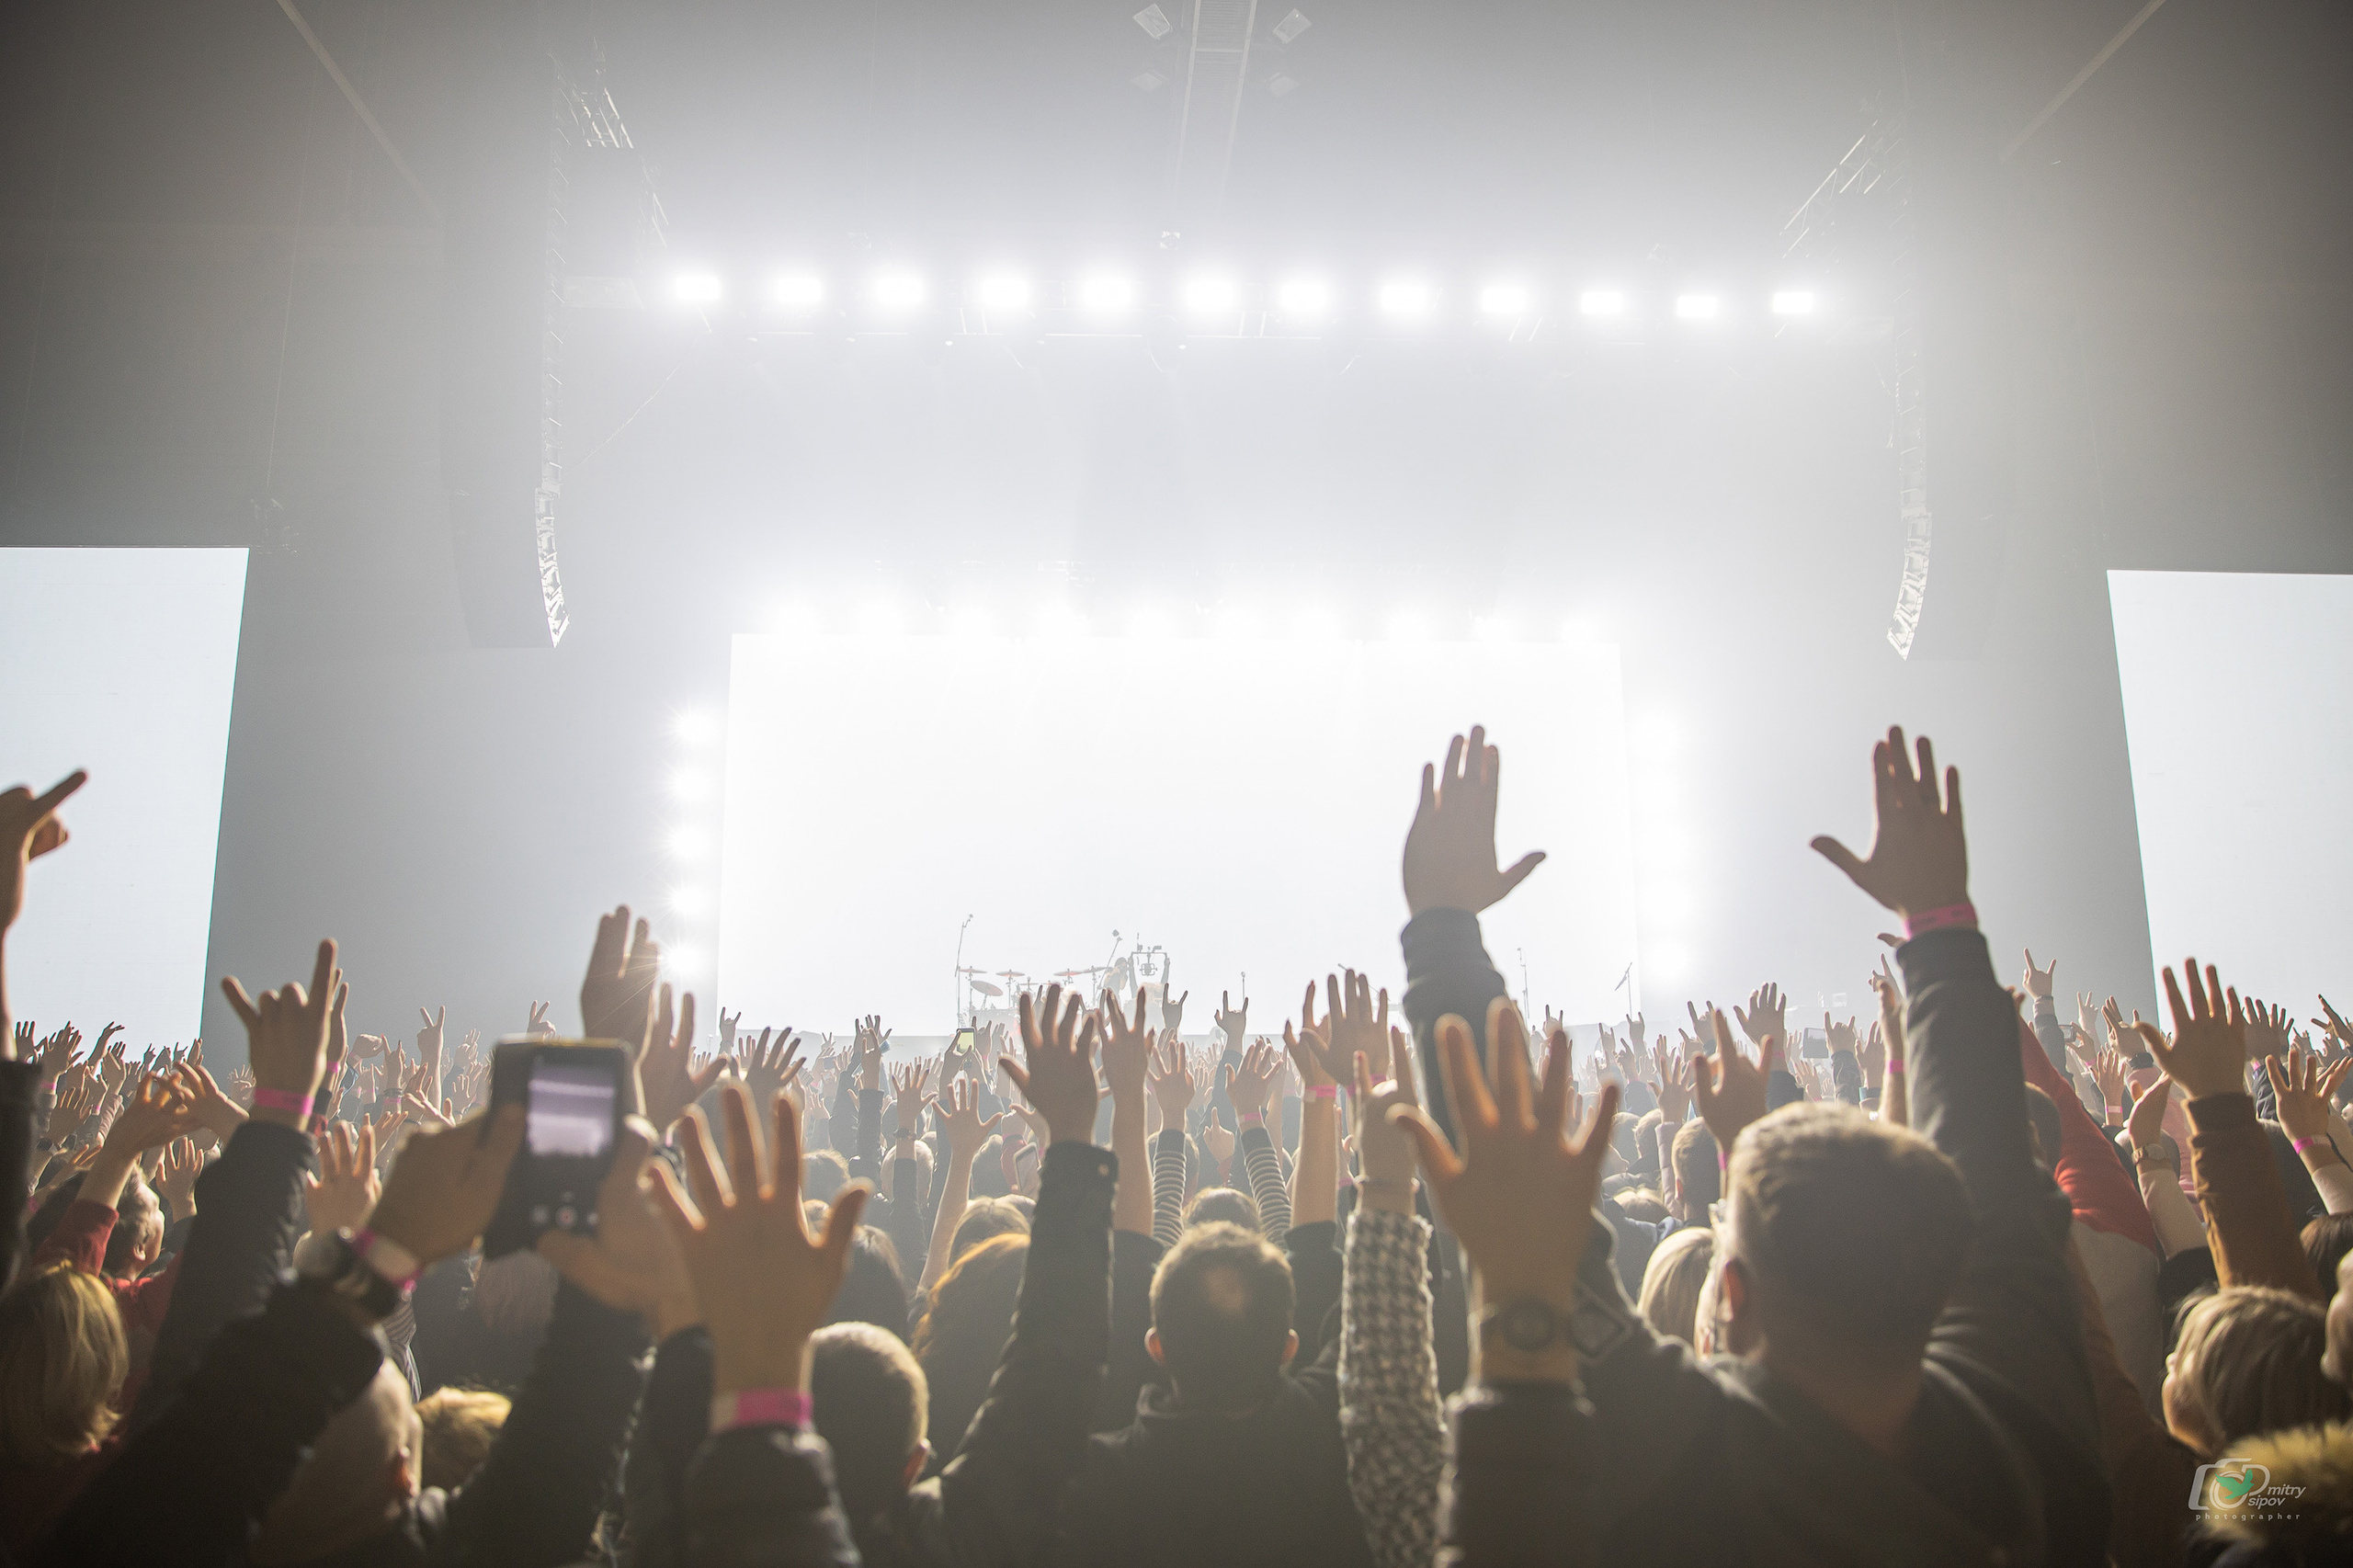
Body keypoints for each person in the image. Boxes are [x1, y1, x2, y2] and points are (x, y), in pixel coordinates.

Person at [1412, 725, 2109, 1564]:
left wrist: (1943, 926)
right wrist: (1942, 925)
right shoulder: (2024, 1418)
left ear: (1730, 1292)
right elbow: (1994, 1173)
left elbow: (1987, 1174)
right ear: (1948, 1271)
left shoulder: (1675, 1460)